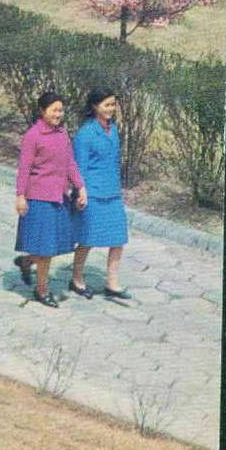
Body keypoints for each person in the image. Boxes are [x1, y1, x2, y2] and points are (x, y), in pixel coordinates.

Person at [14, 91, 87, 308]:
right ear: (42, 111)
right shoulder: (33, 136)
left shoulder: (62, 134)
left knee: (51, 245)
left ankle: (27, 262)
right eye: (54, 110)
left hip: (59, 197)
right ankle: (42, 290)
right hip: (38, 198)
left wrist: (80, 186)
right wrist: (20, 196)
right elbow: (24, 169)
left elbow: (70, 163)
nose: (58, 114)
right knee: (46, 249)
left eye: (61, 110)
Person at [70, 88, 131, 301]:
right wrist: (80, 193)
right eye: (107, 105)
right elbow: (78, 167)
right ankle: (76, 279)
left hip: (112, 192)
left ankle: (112, 283)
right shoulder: (85, 134)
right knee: (87, 238)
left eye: (113, 104)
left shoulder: (113, 129)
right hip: (92, 193)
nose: (111, 109)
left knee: (118, 237)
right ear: (95, 106)